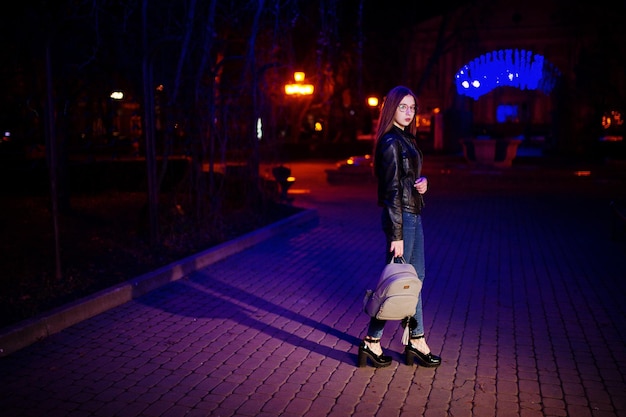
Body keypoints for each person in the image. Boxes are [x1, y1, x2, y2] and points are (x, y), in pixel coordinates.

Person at [358, 85, 442, 368]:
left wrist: (422, 183)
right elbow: (391, 191)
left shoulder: (406, 139)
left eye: (412, 108)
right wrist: (396, 235)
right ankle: (379, 342)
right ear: (391, 108)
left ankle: (412, 340)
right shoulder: (390, 142)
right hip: (401, 219)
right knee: (395, 284)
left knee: (414, 279)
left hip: (413, 214)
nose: (408, 113)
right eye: (403, 107)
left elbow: (406, 181)